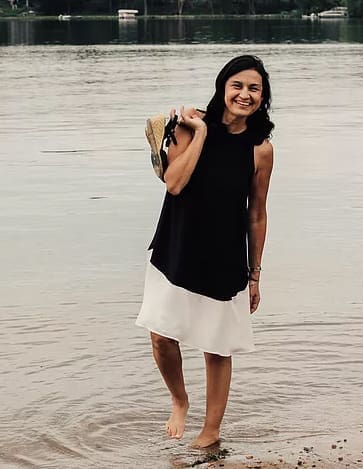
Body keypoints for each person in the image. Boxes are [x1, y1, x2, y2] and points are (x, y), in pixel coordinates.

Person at [136, 55, 274, 448]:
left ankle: (211, 430)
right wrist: (200, 135)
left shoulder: (260, 150)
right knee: (162, 336)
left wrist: (255, 274)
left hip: (225, 255)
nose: (244, 95)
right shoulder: (187, 126)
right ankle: (180, 400)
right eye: (237, 85)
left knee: (217, 346)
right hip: (175, 246)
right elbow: (175, 184)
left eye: (254, 89)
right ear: (222, 87)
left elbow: (257, 214)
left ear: (263, 98)